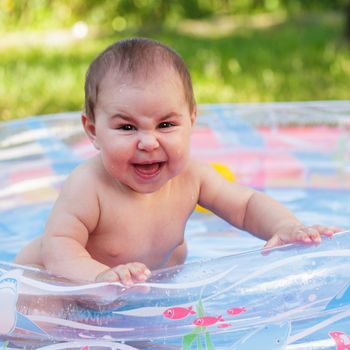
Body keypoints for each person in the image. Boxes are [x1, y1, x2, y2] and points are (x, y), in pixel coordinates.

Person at [15, 37, 340, 286]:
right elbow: (57, 249)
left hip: (139, 288)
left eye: (166, 125)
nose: (148, 142)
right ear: (93, 131)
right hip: (56, 284)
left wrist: (283, 227)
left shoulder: (193, 177)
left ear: (192, 120)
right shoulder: (88, 186)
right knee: (35, 319)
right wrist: (100, 279)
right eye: (126, 127)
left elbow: (246, 204)